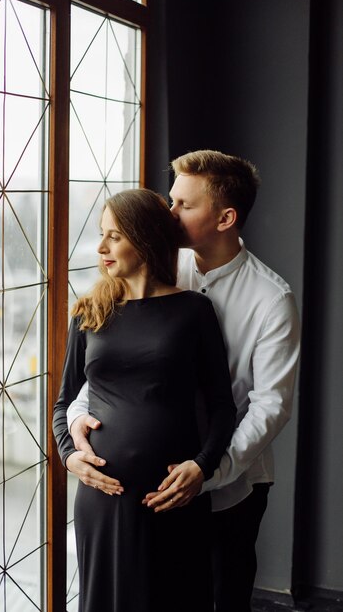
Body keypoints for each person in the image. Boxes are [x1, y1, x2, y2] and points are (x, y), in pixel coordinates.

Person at [65, 151, 301, 612]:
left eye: (183, 205)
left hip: (229, 481)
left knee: (219, 597)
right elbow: (107, 366)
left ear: (225, 217)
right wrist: (76, 423)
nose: (169, 212)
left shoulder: (272, 299)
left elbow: (269, 405)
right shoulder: (152, 269)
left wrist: (205, 469)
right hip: (144, 489)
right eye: (170, 201)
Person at [53, 188, 236, 612]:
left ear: (147, 237)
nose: (101, 248)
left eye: (114, 236)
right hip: (101, 496)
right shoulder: (89, 312)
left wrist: (202, 465)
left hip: (171, 494)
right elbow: (63, 403)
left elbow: (222, 406)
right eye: (102, 235)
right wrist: (68, 456)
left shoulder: (194, 311)